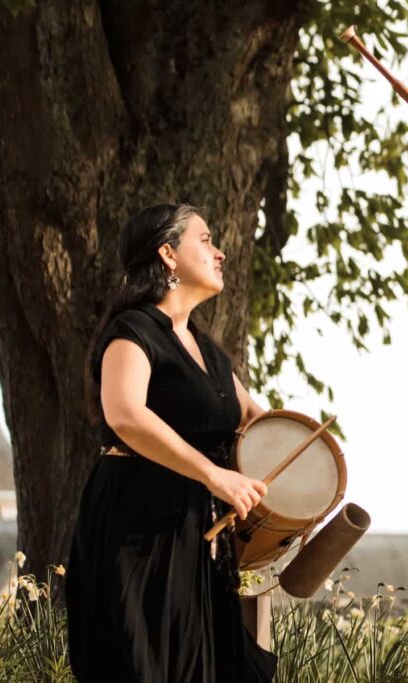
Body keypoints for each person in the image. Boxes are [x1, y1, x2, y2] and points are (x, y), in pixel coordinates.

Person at [67, 203, 276, 682]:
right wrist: (215, 475)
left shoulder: (210, 353)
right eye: (205, 240)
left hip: (198, 539)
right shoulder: (133, 331)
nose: (220, 253)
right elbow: (125, 414)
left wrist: (309, 473)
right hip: (137, 533)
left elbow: (259, 424)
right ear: (167, 253)